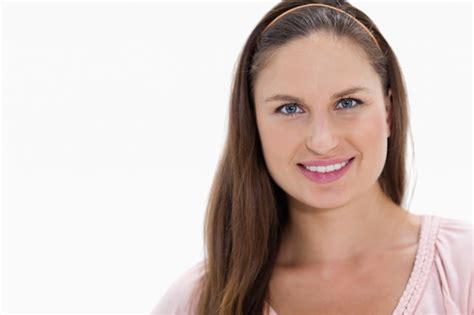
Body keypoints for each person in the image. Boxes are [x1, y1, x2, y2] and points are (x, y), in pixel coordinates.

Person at [152, 1, 473, 314]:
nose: (322, 141)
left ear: (389, 112)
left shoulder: (463, 269)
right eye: (290, 108)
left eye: (347, 103)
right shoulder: (198, 301)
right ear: (253, 124)